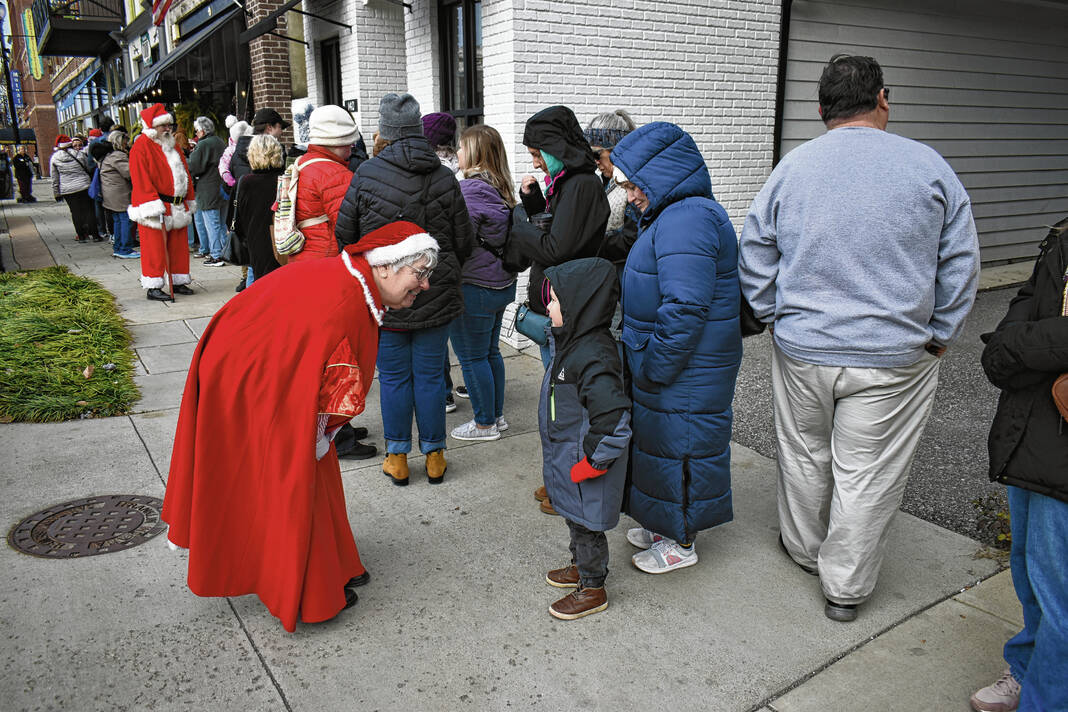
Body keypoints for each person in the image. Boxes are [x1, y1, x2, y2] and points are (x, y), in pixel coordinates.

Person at [739, 54, 980, 622]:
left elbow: (754, 251)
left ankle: (802, 551)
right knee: (867, 471)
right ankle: (843, 589)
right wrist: (941, 332)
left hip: (803, 347)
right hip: (895, 355)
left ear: (821, 109)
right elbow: (962, 261)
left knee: (803, 452)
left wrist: (775, 315)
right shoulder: (929, 167)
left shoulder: (792, 169)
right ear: (883, 100)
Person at [162, 221, 439, 633]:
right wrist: (312, 430)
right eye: (419, 272)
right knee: (289, 479)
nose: (425, 285)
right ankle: (306, 588)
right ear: (384, 267)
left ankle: (335, 563)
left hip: (251, 368)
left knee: (316, 471)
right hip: (243, 380)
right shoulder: (346, 297)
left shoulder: (353, 286)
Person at [609, 121, 742, 574]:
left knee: (682, 446)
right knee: (662, 443)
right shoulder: (674, 214)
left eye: (632, 185)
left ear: (659, 174)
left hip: (684, 368)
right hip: (672, 364)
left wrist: (655, 365)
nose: (629, 196)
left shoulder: (688, 219)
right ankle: (661, 521)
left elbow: (684, 305)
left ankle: (680, 539)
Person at [336, 92, 474, 486]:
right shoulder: (445, 175)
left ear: (387, 131)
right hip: (434, 288)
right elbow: (464, 240)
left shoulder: (366, 174)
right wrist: (441, 268)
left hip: (385, 294)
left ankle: (397, 456)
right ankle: (434, 455)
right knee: (431, 376)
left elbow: (344, 234)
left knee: (394, 378)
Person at [970, 218, 1068, 712]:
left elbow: (1016, 341)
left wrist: (1024, 345)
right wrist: (1021, 345)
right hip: (1032, 434)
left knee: (1063, 601)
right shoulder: (1063, 234)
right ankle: (1027, 672)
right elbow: (1005, 337)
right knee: (1032, 575)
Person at [540, 257, 631, 620]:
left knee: (587, 525)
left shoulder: (593, 355)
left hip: (584, 463)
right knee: (575, 518)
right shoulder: (573, 343)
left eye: (556, 300)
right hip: (569, 456)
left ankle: (593, 586)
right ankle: (581, 566)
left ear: (579, 305)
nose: (548, 306)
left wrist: (592, 464)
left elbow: (613, 420)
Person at [505, 105, 610, 369]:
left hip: (566, 310)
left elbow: (556, 249)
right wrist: (533, 202)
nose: (535, 163)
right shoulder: (569, 181)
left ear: (555, 148)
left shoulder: (580, 185)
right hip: (558, 307)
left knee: (559, 388)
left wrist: (520, 224)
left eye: (536, 154)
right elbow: (560, 230)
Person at [448, 125, 517, 442]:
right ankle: (497, 417)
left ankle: (485, 424)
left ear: (474, 153)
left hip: (475, 286)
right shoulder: (501, 187)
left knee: (473, 357)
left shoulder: (470, 191)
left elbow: (459, 238)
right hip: (501, 283)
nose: (457, 154)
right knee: (490, 352)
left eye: (461, 148)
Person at [127, 103, 197, 302]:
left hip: (176, 204)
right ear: (152, 126)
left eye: (169, 125)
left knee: (178, 246)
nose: (167, 129)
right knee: (154, 248)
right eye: (163, 125)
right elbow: (140, 178)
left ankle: (178, 280)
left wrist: (189, 198)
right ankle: (154, 285)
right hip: (156, 204)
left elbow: (184, 174)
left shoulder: (173, 145)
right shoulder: (141, 146)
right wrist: (151, 203)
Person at [583, 110, 640, 277]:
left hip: (624, 276)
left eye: (597, 154)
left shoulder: (633, 186)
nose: (595, 161)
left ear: (616, 150)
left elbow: (631, 240)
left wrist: (588, 244)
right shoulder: (606, 181)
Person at [233, 134, 283, 282]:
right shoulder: (286, 180)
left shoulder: (244, 183)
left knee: (260, 286)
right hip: (284, 243)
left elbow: (233, 220)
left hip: (256, 244)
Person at [187, 116, 228, 267]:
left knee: (212, 224)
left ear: (202, 131)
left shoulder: (203, 144)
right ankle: (225, 253)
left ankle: (216, 255)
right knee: (222, 224)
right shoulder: (219, 141)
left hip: (207, 189)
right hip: (221, 188)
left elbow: (193, 166)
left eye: (197, 131)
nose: (196, 133)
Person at [50, 134, 101, 242]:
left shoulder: (54, 158)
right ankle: (95, 235)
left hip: (67, 189)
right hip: (83, 186)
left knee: (75, 212)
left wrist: (56, 192)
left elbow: (54, 178)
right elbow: (88, 167)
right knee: (89, 211)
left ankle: (81, 236)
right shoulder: (79, 154)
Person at [100, 131, 138, 260]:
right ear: (119, 142)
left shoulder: (108, 155)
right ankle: (125, 249)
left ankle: (118, 247)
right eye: (125, 141)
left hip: (111, 193)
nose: (126, 143)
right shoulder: (118, 156)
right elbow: (129, 173)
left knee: (118, 220)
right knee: (125, 220)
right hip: (119, 194)